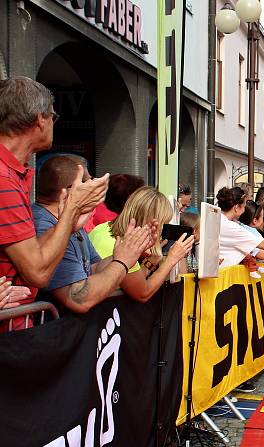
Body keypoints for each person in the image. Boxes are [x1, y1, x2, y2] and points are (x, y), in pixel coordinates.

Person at [0, 76, 109, 328]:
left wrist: (69, 223)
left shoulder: (14, 172)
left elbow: (32, 255)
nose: (53, 124)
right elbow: (38, 272)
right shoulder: (4, 178)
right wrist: (72, 208)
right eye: (53, 117)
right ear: (40, 118)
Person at [33, 157, 154, 313]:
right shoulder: (44, 225)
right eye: (89, 182)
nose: (95, 186)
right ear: (72, 190)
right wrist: (122, 262)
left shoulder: (71, 220)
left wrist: (130, 249)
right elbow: (80, 299)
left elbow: (94, 267)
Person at [89, 186, 195, 302]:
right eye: (162, 225)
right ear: (149, 221)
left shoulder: (103, 229)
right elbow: (142, 293)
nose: (161, 231)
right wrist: (172, 259)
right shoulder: (120, 247)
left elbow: (133, 280)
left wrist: (152, 260)